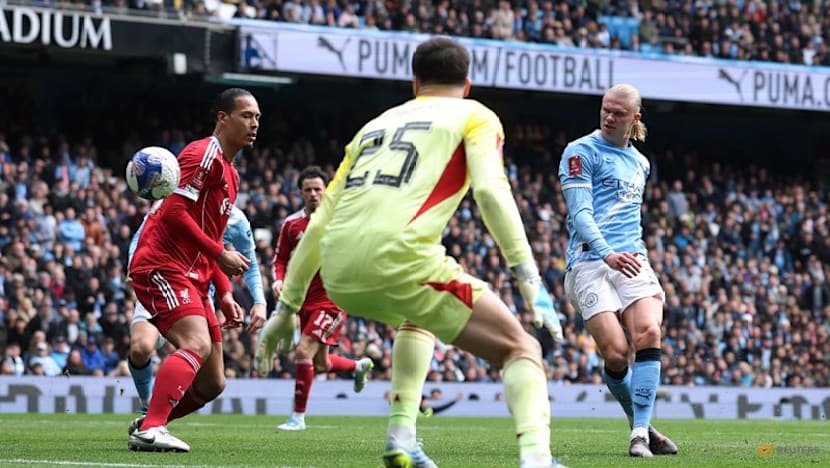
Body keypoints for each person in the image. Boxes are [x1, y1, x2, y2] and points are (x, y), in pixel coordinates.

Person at [258, 38, 565, 468]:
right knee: (521, 348)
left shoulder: (373, 126)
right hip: (400, 259)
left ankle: (401, 436)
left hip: (338, 271)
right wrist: (528, 278)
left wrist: (286, 307)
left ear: (415, 83)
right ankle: (537, 458)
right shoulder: (475, 115)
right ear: (467, 85)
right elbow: (491, 191)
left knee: (416, 317)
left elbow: (321, 220)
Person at [127, 88, 260, 452]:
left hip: (195, 276)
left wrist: (226, 293)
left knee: (213, 382)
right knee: (196, 344)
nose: (254, 124)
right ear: (222, 118)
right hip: (163, 265)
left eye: (257, 118)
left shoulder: (230, 174)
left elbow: (212, 238)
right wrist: (220, 254)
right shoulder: (202, 154)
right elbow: (173, 211)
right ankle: (152, 427)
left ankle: (150, 422)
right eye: (247, 115)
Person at [558, 84, 678, 457]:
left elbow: (630, 220)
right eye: (605, 110)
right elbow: (580, 215)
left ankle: (639, 434)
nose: (609, 117)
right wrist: (607, 253)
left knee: (650, 331)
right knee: (615, 352)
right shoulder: (580, 152)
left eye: (618, 113)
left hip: (631, 258)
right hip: (589, 261)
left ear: (634, 118)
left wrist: (625, 256)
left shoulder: (641, 164)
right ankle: (642, 424)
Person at [127, 205, 267, 414]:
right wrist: (133, 266)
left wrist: (259, 302)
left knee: (214, 382)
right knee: (141, 348)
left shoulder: (236, 220)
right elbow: (141, 234)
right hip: (162, 282)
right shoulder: (174, 202)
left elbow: (250, 263)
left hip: (200, 296)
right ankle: (147, 407)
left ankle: (154, 419)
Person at [269, 165, 373, 431]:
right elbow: (280, 259)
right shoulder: (291, 224)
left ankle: (297, 418)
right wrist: (278, 280)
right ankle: (357, 366)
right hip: (304, 301)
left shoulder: (341, 221)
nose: (313, 194)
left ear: (326, 191)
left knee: (302, 350)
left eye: (317, 189)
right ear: (300, 193)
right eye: (308, 190)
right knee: (321, 364)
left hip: (332, 300)